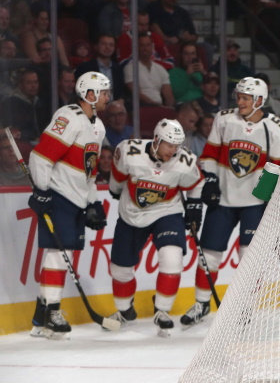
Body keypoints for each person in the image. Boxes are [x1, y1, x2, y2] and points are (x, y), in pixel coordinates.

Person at [180, 77, 280, 327]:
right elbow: (209, 154)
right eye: (238, 96)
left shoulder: (277, 127)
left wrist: (271, 199)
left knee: (248, 257)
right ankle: (201, 303)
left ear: (259, 101)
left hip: (255, 202)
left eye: (245, 98)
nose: (239, 101)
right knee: (209, 256)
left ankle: (244, 307)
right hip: (223, 198)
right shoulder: (224, 118)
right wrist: (209, 178)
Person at [27, 71, 111, 340]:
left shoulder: (98, 127)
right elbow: (41, 156)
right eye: (105, 93)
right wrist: (42, 191)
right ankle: (52, 311)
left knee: (65, 256)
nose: (109, 98)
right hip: (59, 195)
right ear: (90, 95)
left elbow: (89, 170)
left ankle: (40, 319)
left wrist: (92, 203)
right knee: (58, 255)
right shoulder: (68, 117)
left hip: (76, 200)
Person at [106, 119, 204, 336]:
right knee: (120, 270)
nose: (174, 150)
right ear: (157, 140)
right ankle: (125, 312)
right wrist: (115, 190)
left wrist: (195, 208)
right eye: (169, 145)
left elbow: (196, 184)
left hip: (166, 212)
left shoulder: (185, 161)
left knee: (172, 258)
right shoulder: (129, 152)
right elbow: (117, 178)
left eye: (177, 146)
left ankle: (162, 311)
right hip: (131, 214)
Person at [123, 32, 175, 107]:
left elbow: (169, 96)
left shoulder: (160, 69)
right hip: (142, 107)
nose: (145, 48)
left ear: (152, 47)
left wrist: (168, 108)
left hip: (160, 108)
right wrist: (157, 106)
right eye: (142, 45)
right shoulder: (130, 68)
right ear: (136, 47)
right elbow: (137, 94)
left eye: (148, 45)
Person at [1, 67, 49, 145]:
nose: (33, 86)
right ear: (20, 84)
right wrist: (34, 138)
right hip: (20, 143)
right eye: (29, 83)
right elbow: (14, 129)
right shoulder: (11, 102)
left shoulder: (39, 102)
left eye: (35, 82)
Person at [74, 34, 126, 102]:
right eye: (104, 44)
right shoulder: (85, 67)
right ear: (96, 46)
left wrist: (121, 101)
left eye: (111, 45)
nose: (107, 47)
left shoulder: (118, 69)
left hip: (114, 106)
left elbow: (121, 92)